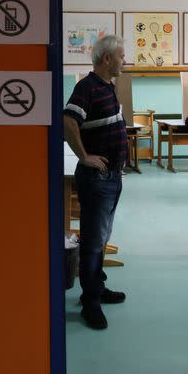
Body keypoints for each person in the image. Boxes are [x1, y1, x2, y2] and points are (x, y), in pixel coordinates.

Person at [63, 35, 128, 330]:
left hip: (112, 177)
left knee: (100, 239)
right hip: (97, 179)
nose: (123, 61)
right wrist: (85, 155)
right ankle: (90, 302)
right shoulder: (87, 87)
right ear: (107, 59)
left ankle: (97, 288)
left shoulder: (108, 87)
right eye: (121, 57)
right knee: (92, 242)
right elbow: (68, 121)